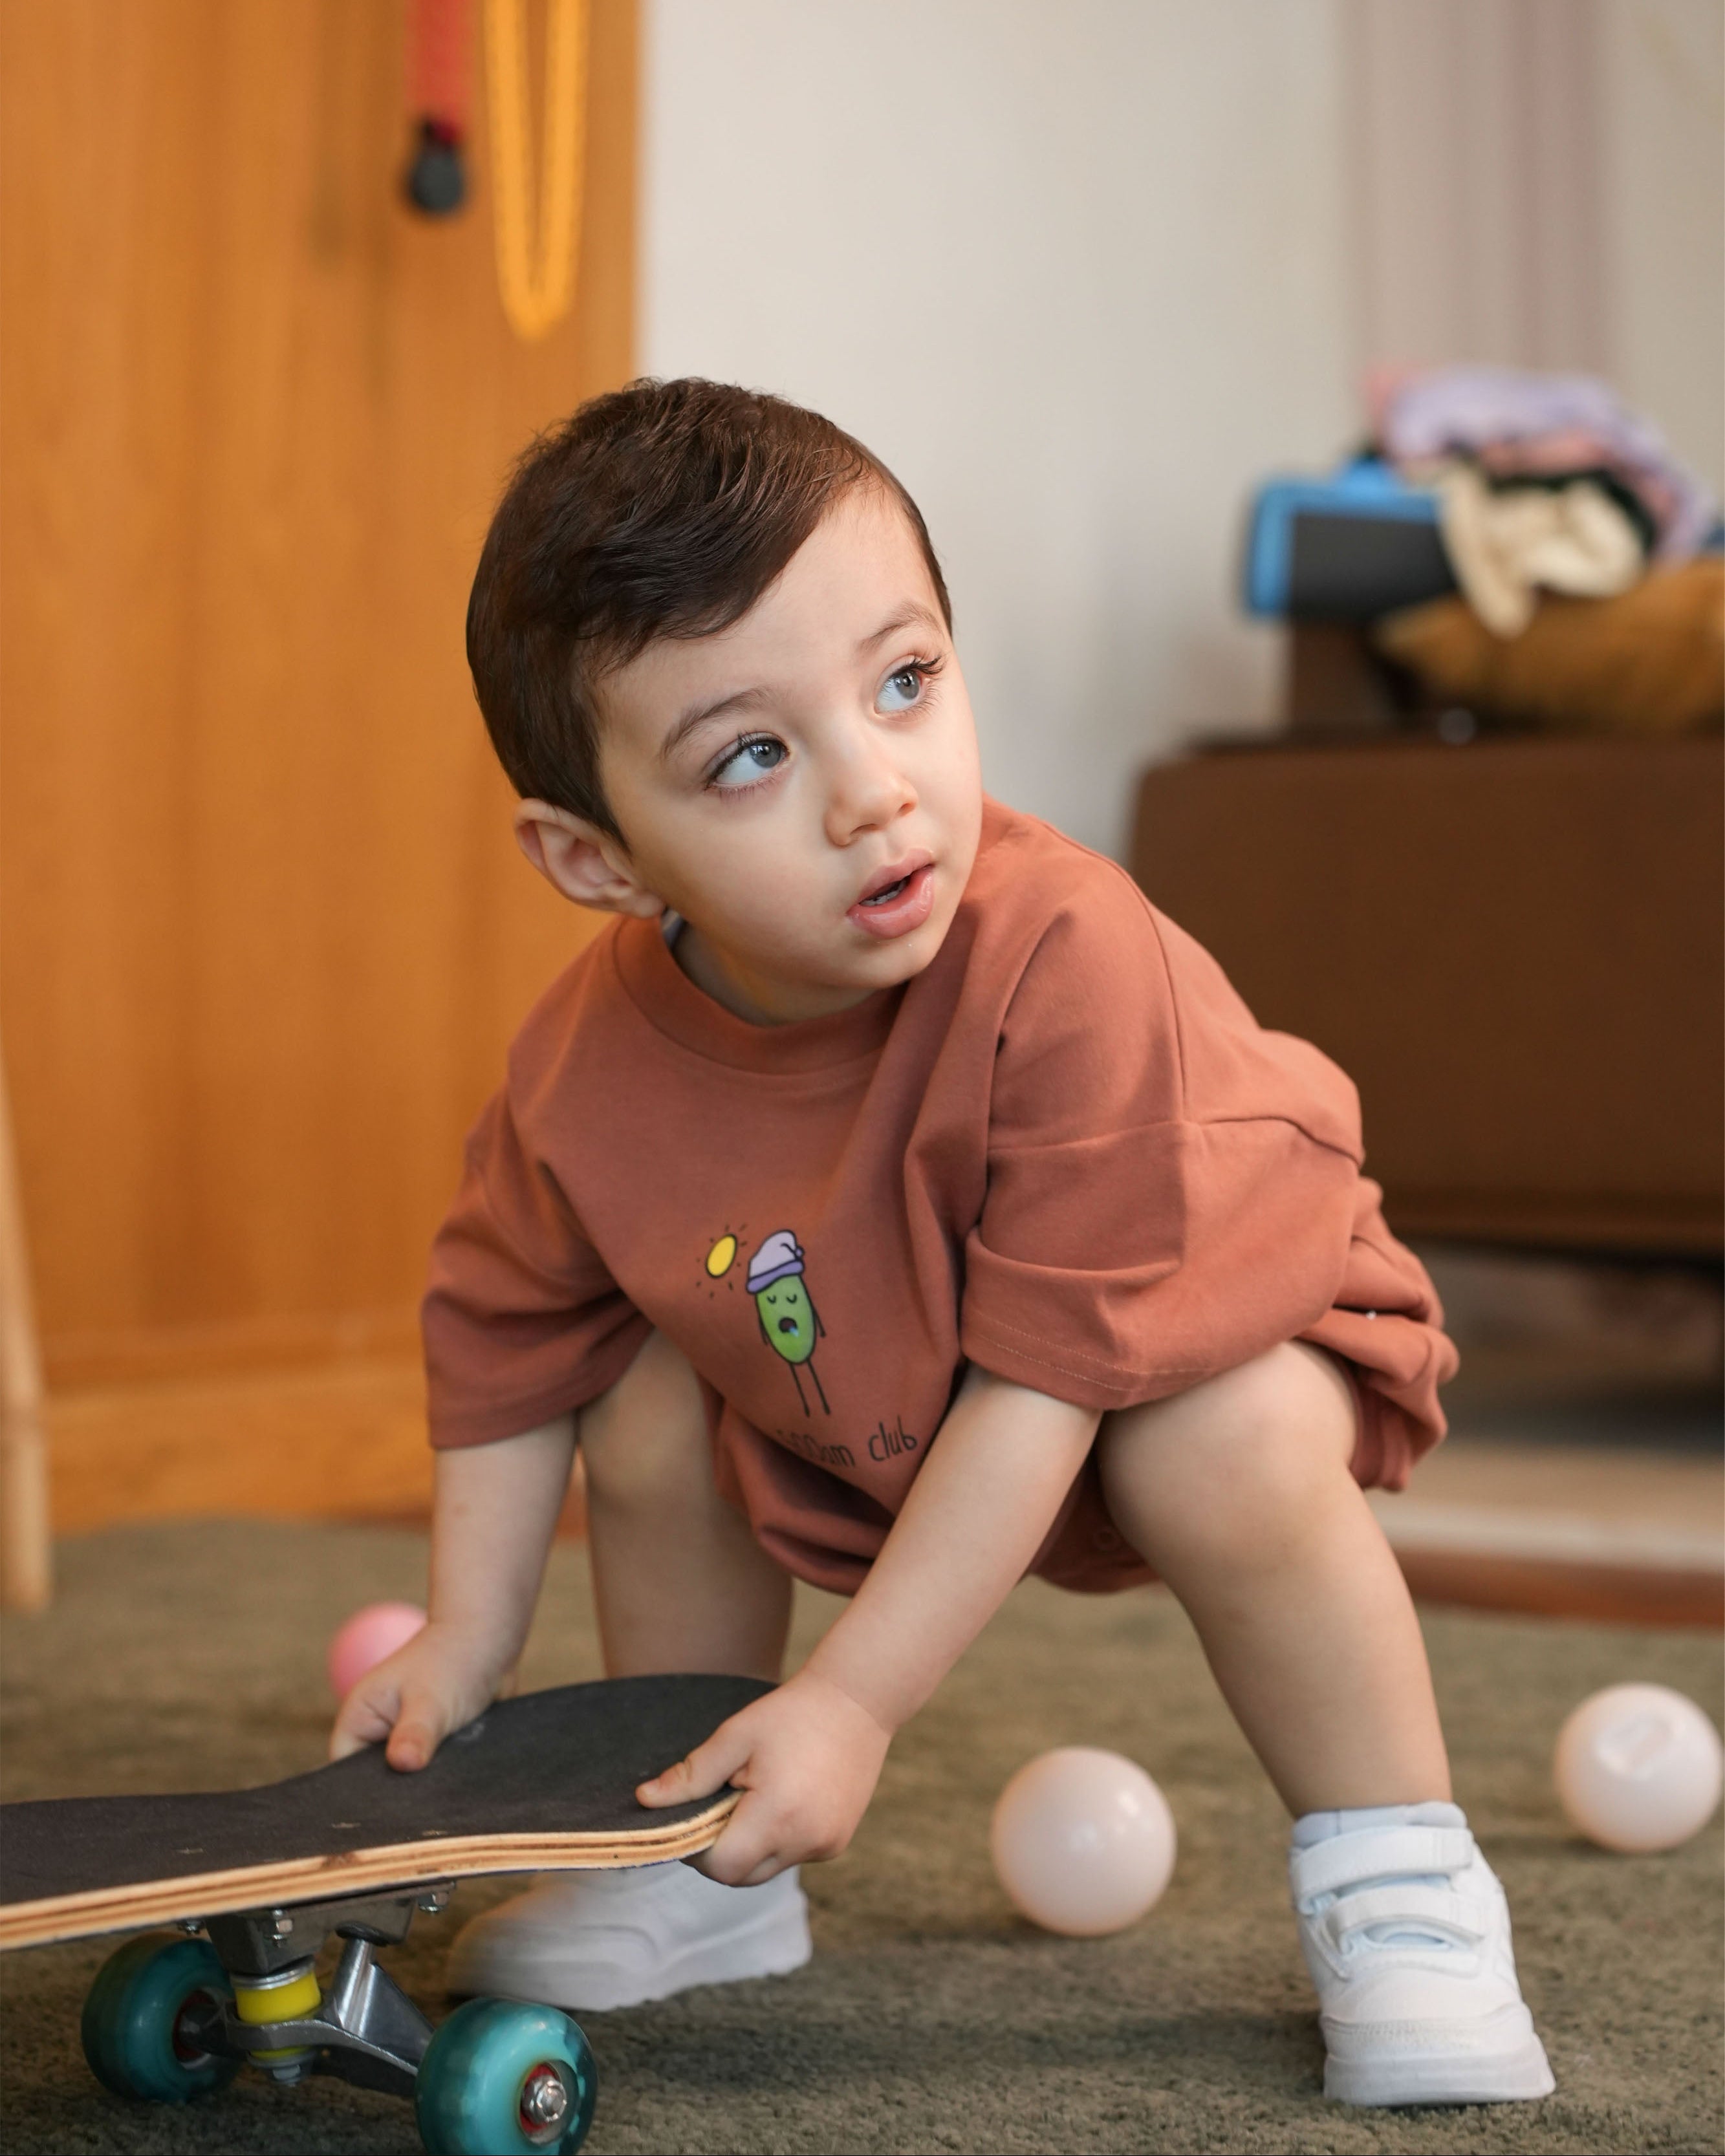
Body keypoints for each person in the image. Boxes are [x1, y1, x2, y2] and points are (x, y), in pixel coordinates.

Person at [331, 378, 1554, 2109]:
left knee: (1222, 1435)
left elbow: (1056, 1372)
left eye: (903, 683)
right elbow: (505, 1337)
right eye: (751, 756)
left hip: (1188, 1332)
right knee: (648, 1401)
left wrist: (852, 1704)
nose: (874, 794)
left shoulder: (1069, 955)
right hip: (886, 1378)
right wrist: (469, 1632)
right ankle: (700, 1861)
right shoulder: (577, 1071)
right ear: (595, 861)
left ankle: (1397, 1872)